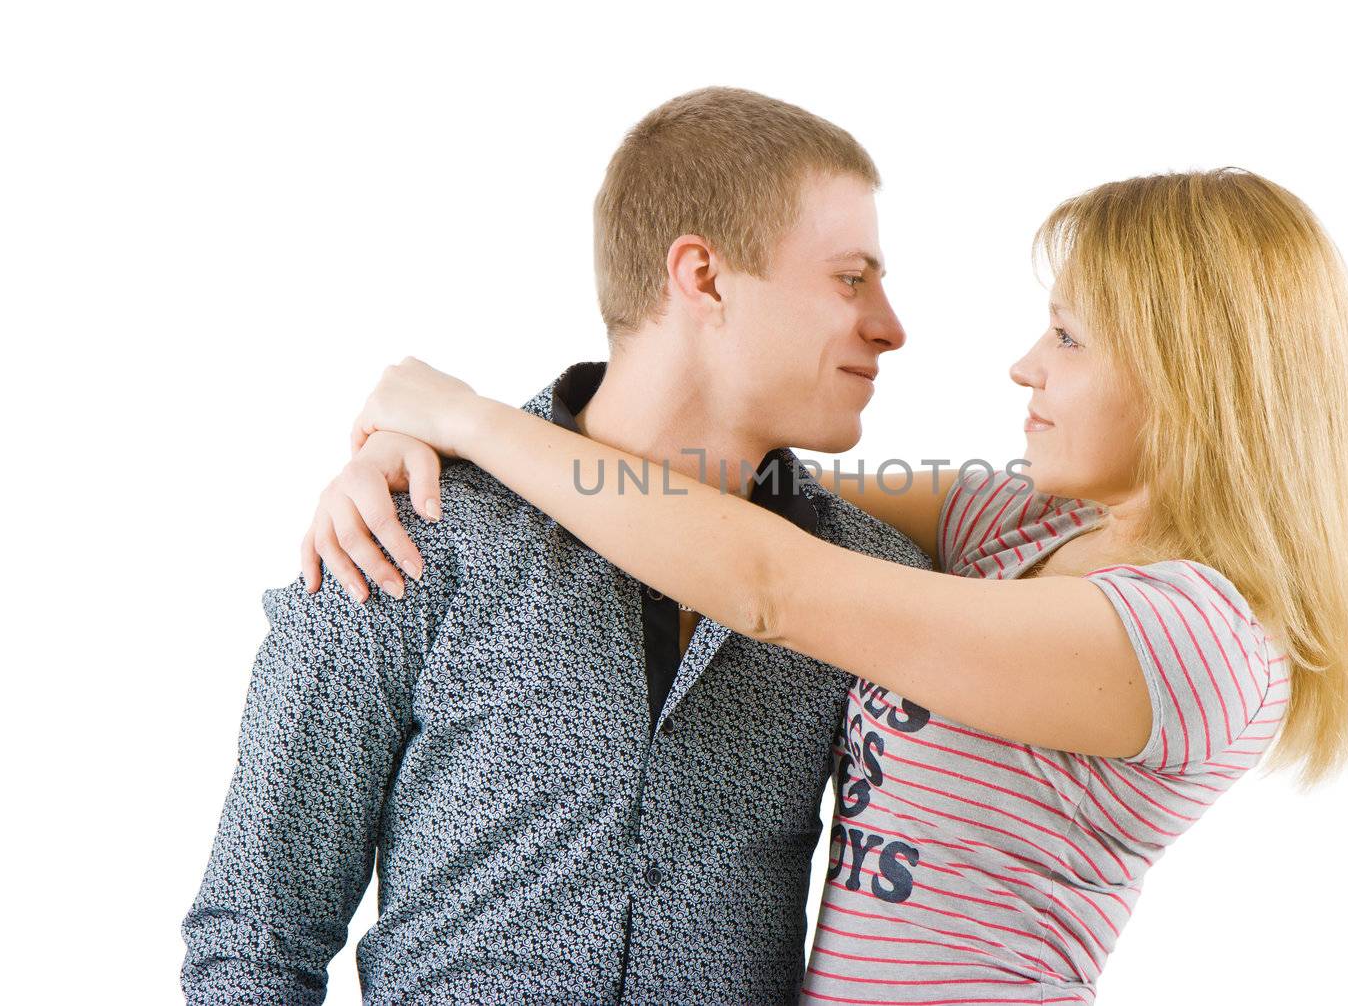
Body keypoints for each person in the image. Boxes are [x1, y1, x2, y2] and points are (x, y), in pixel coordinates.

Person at [305, 168, 1348, 1002]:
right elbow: (719, 493)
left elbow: (770, 578)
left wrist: (466, 416)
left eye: (1067, 335)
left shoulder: (1196, 635)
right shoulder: (1025, 523)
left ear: (1191, 373)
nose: (1023, 366)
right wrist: (414, 453)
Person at [179, 86, 935, 1005]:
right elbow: (254, 942)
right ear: (704, 277)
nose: (891, 325)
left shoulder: (872, 587)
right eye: (851, 278)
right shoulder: (405, 529)